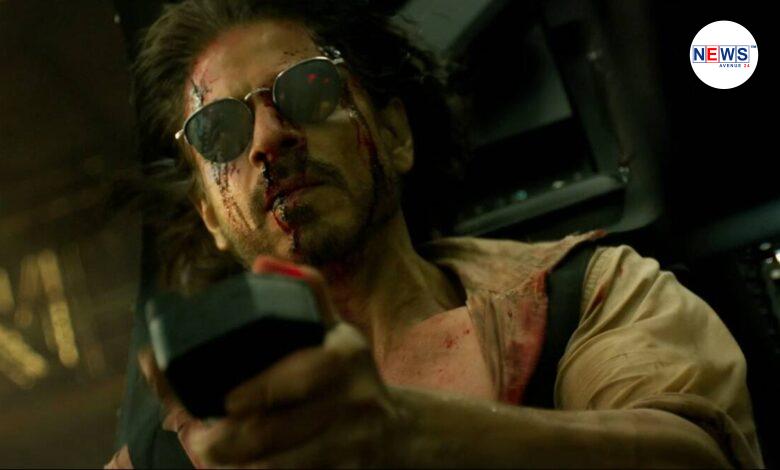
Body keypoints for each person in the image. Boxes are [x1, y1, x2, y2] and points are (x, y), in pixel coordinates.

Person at [106, 0, 763, 467]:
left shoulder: (586, 293)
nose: (269, 139)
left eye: (308, 90)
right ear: (210, 218)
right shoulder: (176, 445)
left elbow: (696, 456)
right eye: (218, 131)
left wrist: (404, 433)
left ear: (395, 134)